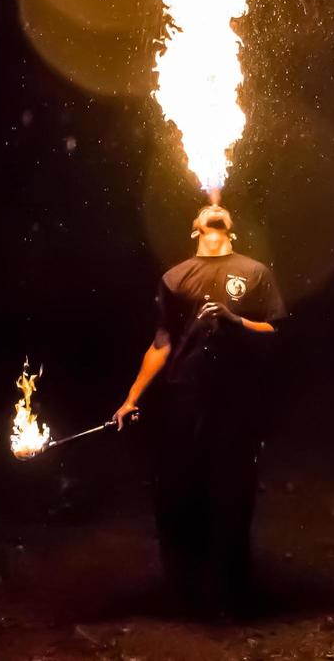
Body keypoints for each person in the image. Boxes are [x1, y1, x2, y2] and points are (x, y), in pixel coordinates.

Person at [114, 203, 286, 615]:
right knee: (179, 490)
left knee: (232, 492)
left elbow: (272, 332)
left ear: (232, 227)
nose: (214, 207)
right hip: (184, 395)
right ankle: (183, 588)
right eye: (205, 210)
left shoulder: (255, 272)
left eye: (221, 209)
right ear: (195, 229)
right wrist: (131, 397)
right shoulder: (174, 277)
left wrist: (233, 320)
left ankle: (231, 590)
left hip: (236, 398)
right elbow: (162, 344)